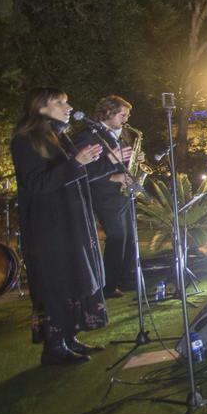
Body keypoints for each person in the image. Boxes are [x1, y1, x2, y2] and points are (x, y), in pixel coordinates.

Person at [11, 87, 109, 365]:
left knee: (75, 276)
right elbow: (36, 183)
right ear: (40, 107)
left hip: (71, 221)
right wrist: (75, 163)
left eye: (67, 101)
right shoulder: (25, 139)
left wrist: (105, 163)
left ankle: (70, 336)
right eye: (60, 102)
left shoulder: (59, 136)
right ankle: (54, 347)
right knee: (57, 281)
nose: (68, 107)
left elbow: (76, 175)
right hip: (49, 226)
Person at [71, 95, 137, 299]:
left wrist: (134, 161)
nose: (125, 119)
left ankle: (125, 278)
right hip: (104, 195)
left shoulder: (120, 133)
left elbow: (119, 159)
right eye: (122, 115)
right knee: (117, 238)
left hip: (122, 194)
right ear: (108, 112)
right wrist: (114, 176)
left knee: (129, 238)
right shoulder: (88, 136)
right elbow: (84, 171)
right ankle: (108, 285)